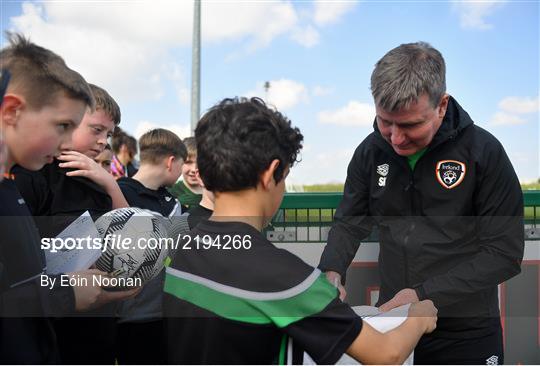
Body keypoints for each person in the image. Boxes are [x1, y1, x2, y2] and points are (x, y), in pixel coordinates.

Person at [163, 97, 438, 364]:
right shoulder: (283, 276)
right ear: (271, 174)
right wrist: (419, 316)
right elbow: (386, 354)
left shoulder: (182, 245)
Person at [319, 42, 524, 364]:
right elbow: (350, 221)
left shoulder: (485, 152)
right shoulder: (370, 151)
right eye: (386, 122)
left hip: (466, 332)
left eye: (411, 125)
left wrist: (424, 294)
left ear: (442, 105)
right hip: (393, 325)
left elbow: (504, 254)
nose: (396, 138)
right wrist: (331, 272)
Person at [0, 33, 135, 364]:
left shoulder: (12, 187)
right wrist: (66, 292)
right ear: (12, 111)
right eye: (62, 125)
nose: (65, 141)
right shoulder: (28, 180)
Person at [115, 128, 186, 364]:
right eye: (181, 165)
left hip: (167, 313)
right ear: (171, 162)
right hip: (132, 317)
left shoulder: (172, 201)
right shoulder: (117, 193)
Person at [169, 136, 202, 209]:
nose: (194, 169)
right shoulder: (170, 193)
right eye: (188, 162)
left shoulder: (218, 193)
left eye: (199, 162)